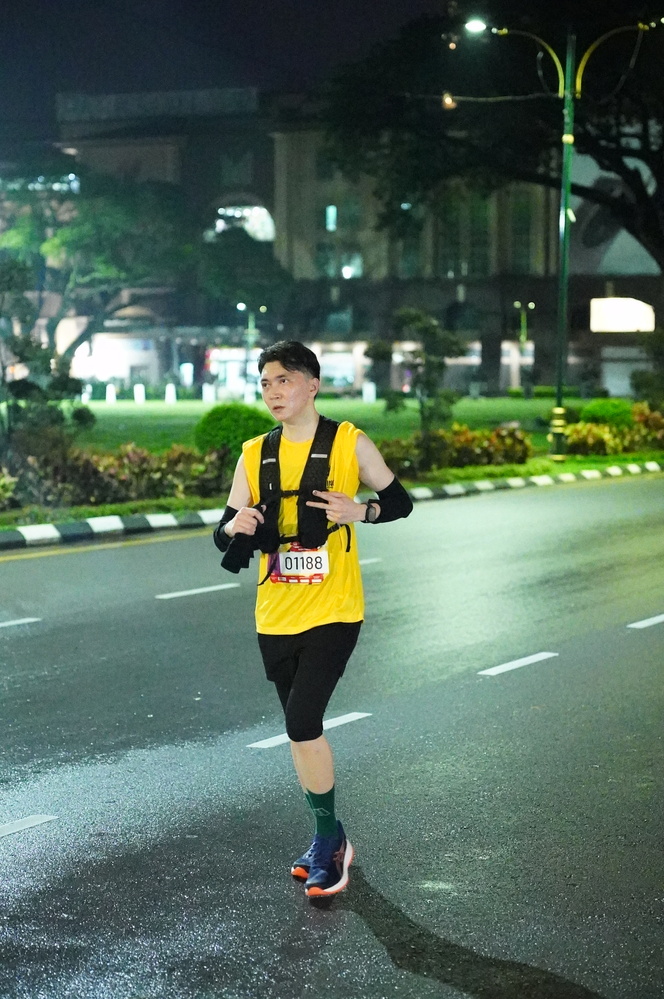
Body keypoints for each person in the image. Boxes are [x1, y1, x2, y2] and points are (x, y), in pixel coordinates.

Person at [213, 341, 413, 898]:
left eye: (284, 380)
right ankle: (332, 835)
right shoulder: (254, 454)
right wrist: (234, 528)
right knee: (299, 733)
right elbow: (222, 532)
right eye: (265, 383)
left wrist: (361, 510)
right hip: (275, 613)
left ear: (312, 384)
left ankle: (327, 842)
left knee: (303, 722)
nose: (273, 392)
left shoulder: (350, 443)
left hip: (335, 610)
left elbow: (400, 502)